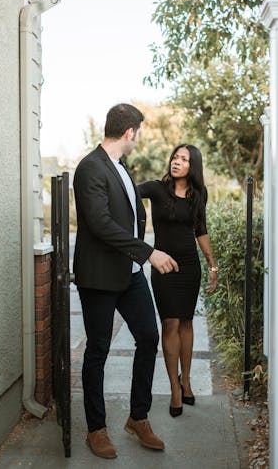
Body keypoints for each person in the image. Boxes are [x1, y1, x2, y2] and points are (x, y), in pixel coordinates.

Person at [72, 103, 179, 459]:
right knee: (98, 351)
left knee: (149, 337)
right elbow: (101, 224)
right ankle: (96, 429)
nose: (138, 139)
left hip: (130, 275)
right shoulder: (90, 168)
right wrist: (149, 252)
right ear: (130, 132)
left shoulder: (120, 167)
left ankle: (138, 417)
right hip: (100, 277)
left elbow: (130, 217)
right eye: (139, 133)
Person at [137, 144, 217, 418]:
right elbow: (124, 194)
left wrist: (212, 265)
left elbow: (201, 229)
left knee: (186, 321)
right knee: (169, 322)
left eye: (184, 159)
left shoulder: (199, 194)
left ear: (192, 165)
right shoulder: (156, 189)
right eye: (175, 156)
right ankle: (174, 387)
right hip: (162, 266)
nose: (177, 161)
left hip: (189, 267)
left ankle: (187, 380)